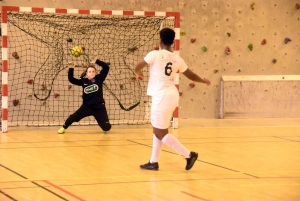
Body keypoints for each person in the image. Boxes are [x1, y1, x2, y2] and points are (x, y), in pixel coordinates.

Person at [134, 28, 210, 171]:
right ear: (172, 42)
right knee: (159, 128)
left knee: (160, 132)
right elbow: (191, 76)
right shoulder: (177, 58)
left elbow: (138, 66)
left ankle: (188, 155)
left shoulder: (154, 54)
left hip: (162, 96)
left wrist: (138, 74)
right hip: (172, 94)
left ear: (160, 40)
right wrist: (203, 80)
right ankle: (153, 162)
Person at [58, 57, 111, 134]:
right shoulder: (83, 81)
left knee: (107, 128)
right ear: (87, 73)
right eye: (89, 71)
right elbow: (71, 79)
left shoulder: (99, 78)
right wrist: (71, 68)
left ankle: (102, 123)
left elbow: (106, 67)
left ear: (95, 73)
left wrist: (97, 61)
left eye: (93, 71)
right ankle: (63, 127)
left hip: (99, 107)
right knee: (73, 117)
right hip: (87, 107)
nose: (92, 73)